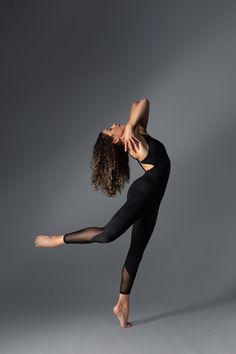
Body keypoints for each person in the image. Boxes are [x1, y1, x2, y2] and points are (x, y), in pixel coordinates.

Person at [34, 98, 171, 329]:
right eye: (110, 129)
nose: (113, 124)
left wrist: (128, 125)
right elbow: (140, 105)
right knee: (108, 234)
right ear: (117, 140)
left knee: (137, 251)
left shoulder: (137, 131)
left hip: (153, 198)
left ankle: (122, 304)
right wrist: (130, 127)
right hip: (144, 192)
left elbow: (141, 102)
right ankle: (57, 239)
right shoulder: (135, 141)